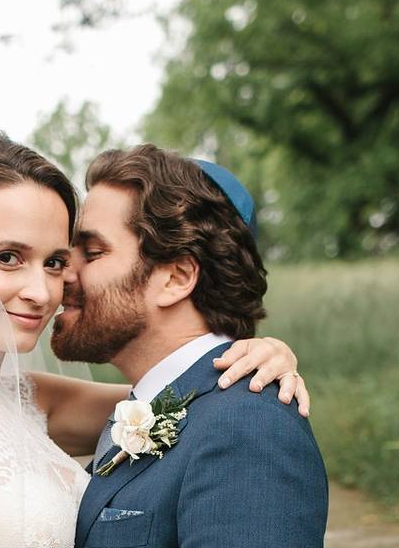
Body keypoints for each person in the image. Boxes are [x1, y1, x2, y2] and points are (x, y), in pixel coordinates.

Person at [0, 131, 309, 548]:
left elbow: (187, 403)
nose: (43, 292)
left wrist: (258, 352)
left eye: (56, 262)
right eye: (7, 257)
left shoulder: (26, 399)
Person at [54, 145, 328, 548]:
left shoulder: (249, 427)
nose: (61, 272)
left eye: (92, 253)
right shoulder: (164, 406)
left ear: (176, 277)